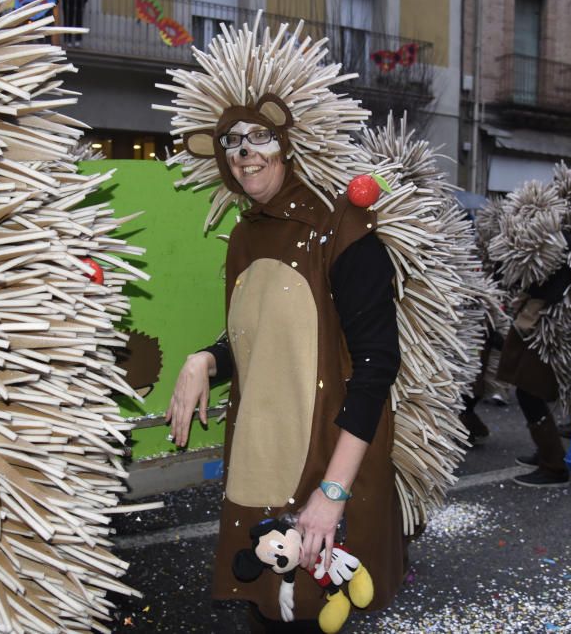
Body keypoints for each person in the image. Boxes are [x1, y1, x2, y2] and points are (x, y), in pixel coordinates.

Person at [166, 101, 401, 633]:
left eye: (258, 137)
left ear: (288, 143)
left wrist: (332, 492)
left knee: (312, 617)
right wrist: (205, 359)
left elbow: (376, 365)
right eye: (231, 142)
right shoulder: (246, 235)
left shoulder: (343, 225)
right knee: (266, 611)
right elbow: (255, 338)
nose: (244, 153)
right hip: (260, 461)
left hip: (326, 459)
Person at [497, 231, 571, 487]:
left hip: (549, 330)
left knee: (530, 392)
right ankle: (546, 452)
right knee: (530, 392)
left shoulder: (568, 248)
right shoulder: (558, 243)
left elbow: (556, 288)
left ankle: (553, 466)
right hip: (536, 326)